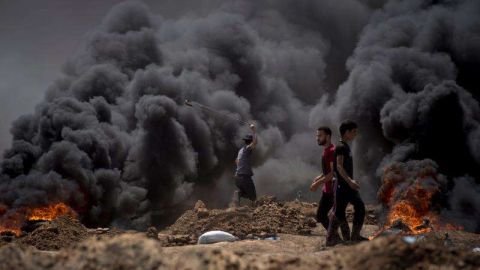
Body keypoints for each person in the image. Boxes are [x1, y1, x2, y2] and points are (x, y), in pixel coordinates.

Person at [327, 120, 367, 246]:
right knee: (339, 212)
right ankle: (332, 239)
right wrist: (350, 181)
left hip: (348, 186)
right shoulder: (340, 147)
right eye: (353, 131)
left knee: (359, 206)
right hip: (342, 186)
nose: (355, 134)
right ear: (346, 132)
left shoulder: (345, 146)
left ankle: (354, 236)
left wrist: (351, 181)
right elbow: (339, 166)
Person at [309, 126, 335, 231]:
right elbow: (327, 171)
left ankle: (334, 235)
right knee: (321, 215)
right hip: (327, 189)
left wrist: (317, 183)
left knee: (321, 215)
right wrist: (319, 177)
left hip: (332, 190)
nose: (317, 138)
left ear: (328, 137)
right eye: (317, 135)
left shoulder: (332, 151)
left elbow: (333, 173)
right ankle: (334, 235)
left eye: (320, 136)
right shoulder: (326, 150)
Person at [234, 124, 257, 205]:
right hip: (244, 178)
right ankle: (256, 214)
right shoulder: (247, 149)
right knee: (253, 197)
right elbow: (255, 143)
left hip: (237, 177)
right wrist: (254, 130)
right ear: (250, 141)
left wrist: (241, 167)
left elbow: (236, 161)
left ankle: (239, 193)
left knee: (246, 193)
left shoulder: (241, 151)